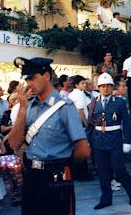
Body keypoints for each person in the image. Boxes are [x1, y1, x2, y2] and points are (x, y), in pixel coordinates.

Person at [8, 57, 90, 215]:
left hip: (57, 174)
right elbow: (14, 144)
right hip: (32, 174)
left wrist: (65, 167)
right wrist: (23, 109)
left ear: (46, 75)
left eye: (32, 78)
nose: (28, 83)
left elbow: (82, 149)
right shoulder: (29, 106)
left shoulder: (65, 106)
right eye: (26, 79)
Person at [88, 72, 131, 209]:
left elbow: (126, 124)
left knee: (119, 170)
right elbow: (91, 124)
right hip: (99, 142)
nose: (105, 88)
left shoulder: (120, 102)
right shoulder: (93, 103)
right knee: (103, 172)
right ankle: (106, 199)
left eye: (108, 86)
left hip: (115, 141)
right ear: (99, 87)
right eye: (102, 86)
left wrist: (127, 141)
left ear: (112, 87)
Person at [68, 75, 93, 182]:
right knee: (82, 149)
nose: (85, 84)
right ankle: (82, 174)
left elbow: (90, 104)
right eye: (82, 83)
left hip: (75, 124)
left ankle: (80, 173)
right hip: (80, 124)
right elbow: (80, 111)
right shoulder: (78, 94)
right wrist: (87, 123)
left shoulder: (78, 94)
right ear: (77, 85)